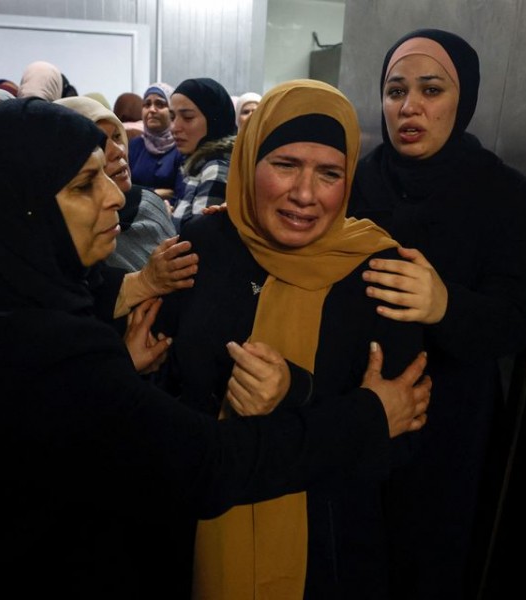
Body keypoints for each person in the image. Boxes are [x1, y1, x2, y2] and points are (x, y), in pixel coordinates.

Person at [0, 97, 430, 597]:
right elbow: (201, 460)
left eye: (330, 173)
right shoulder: (183, 260)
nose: (116, 197)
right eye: (82, 185)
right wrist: (361, 414)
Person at [154, 79, 426, 599]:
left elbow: (399, 441)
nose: (304, 194)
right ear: (249, 159)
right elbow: (163, 387)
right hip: (195, 524)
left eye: (329, 173)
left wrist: (294, 393)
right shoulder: (205, 244)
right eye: (284, 164)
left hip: (324, 545)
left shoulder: (380, 272)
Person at [348, 29, 526, 599]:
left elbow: (514, 319)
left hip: (448, 421)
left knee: (424, 564)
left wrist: (445, 303)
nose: (409, 107)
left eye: (431, 90)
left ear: (464, 99)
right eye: (395, 90)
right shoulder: (357, 179)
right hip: (354, 404)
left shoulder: (499, 191)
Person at [56, 95, 178, 272]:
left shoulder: (148, 203)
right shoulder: (64, 235)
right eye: (99, 143)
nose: (119, 151)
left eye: (117, 136)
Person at [170, 77, 236, 229]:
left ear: (215, 120)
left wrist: (162, 221)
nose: (175, 127)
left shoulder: (217, 167)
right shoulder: (199, 163)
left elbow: (197, 237)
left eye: (187, 117)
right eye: (172, 117)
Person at [128, 82, 185, 203]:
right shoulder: (134, 145)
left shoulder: (181, 145)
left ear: (172, 111)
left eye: (160, 104)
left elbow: (180, 195)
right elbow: (124, 191)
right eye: (147, 104)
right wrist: (157, 193)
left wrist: (138, 193)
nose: (152, 110)